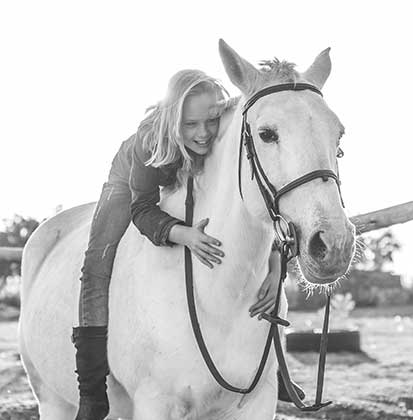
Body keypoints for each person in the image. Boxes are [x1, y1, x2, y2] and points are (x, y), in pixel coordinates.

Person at [70, 69, 304, 420]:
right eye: (191, 124)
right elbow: (143, 208)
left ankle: (275, 369)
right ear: (175, 119)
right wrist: (185, 234)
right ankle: (91, 394)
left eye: (210, 120)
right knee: (96, 265)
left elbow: (253, 204)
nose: (203, 133)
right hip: (132, 184)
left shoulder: (224, 127)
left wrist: (276, 264)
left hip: (188, 171)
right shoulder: (149, 139)